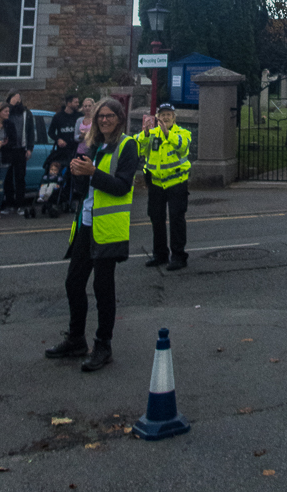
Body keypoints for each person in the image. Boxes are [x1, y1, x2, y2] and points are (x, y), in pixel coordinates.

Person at [45, 97, 139, 371]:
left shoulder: (126, 145)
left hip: (108, 228)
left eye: (110, 116)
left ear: (120, 119)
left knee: (102, 288)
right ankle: (76, 339)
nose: (105, 120)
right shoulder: (93, 145)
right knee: (74, 282)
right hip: (85, 224)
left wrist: (93, 172)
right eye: (101, 116)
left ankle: (103, 345)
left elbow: (122, 185)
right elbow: (84, 187)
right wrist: (78, 172)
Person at [136, 102, 191, 271]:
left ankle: (179, 256)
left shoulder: (183, 132)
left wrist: (168, 134)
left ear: (174, 117)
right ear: (158, 117)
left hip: (177, 183)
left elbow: (183, 146)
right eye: (163, 114)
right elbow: (139, 149)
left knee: (176, 219)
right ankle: (160, 254)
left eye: (169, 114)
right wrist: (144, 133)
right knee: (156, 219)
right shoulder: (151, 133)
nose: (165, 117)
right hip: (156, 185)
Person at [4, 92, 35, 216]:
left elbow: (30, 132)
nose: (17, 100)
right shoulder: (7, 111)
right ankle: (9, 204)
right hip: (8, 149)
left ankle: (20, 205)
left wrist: (30, 148)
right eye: (14, 98)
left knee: (20, 178)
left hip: (21, 149)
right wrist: (10, 105)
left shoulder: (26, 113)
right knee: (7, 178)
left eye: (19, 98)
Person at [48, 94, 81, 160]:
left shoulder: (79, 116)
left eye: (78, 102)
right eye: (76, 102)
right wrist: (58, 139)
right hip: (62, 151)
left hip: (76, 150)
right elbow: (50, 132)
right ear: (69, 103)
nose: (78, 104)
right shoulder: (58, 117)